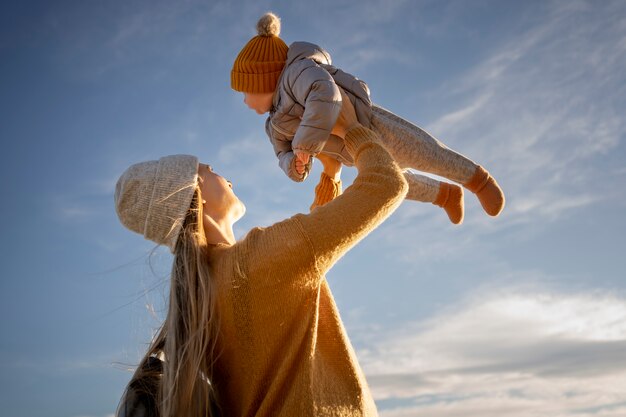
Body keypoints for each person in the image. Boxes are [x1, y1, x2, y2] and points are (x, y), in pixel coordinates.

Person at [114, 95, 407, 416]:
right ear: (195, 187)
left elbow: (302, 258)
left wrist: (330, 177)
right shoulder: (260, 257)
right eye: (210, 169)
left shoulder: (199, 296)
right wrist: (351, 128)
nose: (226, 178)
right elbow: (386, 184)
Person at [231, 12, 506, 225]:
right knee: (393, 182)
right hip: (351, 151)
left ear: (264, 80)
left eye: (247, 91)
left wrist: (305, 144)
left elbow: (324, 92)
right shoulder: (274, 124)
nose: (245, 101)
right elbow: (281, 154)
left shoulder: (296, 75)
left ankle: (477, 181)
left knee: (422, 152)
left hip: (367, 125)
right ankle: (444, 196)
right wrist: (296, 166)